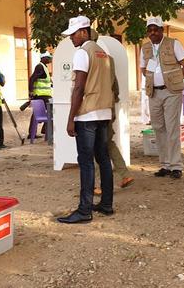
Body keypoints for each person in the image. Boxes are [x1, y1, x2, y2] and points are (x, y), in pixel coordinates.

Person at [57, 16, 117, 224]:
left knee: (86, 161)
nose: (71, 38)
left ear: (84, 31)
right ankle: (106, 204)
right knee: (103, 158)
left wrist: (70, 118)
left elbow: (79, 88)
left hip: (87, 114)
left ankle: (84, 210)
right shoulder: (103, 54)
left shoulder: (83, 53)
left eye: (73, 34)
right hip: (104, 113)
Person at [140, 17, 184, 179]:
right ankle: (165, 165)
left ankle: (176, 165)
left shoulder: (173, 43)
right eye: (149, 30)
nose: (152, 32)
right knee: (158, 128)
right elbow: (143, 69)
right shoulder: (145, 48)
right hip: (154, 93)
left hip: (171, 92)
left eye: (155, 29)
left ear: (162, 30)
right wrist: (153, 80)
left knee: (172, 128)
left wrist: (176, 81)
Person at [28, 52, 53, 136]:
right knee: (50, 112)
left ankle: (35, 132)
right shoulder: (40, 67)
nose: (50, 59)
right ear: (43, 58)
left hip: (44, 95)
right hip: (41, 95)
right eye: (48, 58)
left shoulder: (44, 67)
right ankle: (43, 131)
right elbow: (32, 79)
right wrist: (31, 91)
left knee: (38, 114)